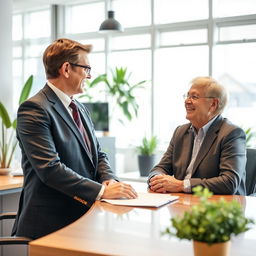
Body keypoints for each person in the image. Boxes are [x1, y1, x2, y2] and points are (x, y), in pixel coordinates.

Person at [12, 38, 137, 239]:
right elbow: (50, 169)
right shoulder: (34, 109)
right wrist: (102, 192)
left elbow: (97, 154)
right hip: (50, 225)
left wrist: (109, 180)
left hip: (83, 218)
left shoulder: (80, 108)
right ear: (67, 69)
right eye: (86, 68)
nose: (89, 75)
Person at [148, 76, 246, 195]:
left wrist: (181, 185)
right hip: (183, 204)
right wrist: (156, 179)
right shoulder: (180, 132)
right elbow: (161, 168)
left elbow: (229, 182)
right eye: (187, 96)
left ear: (213, 104)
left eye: (194, 97)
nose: (187, 101)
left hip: (217, 208)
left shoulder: (232, 134)